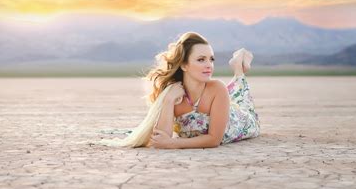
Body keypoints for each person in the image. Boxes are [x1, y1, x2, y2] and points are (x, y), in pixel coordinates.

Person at [98, 32, 260, 149]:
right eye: (201, 59)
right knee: (234, 93)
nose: (209, 65)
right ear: (183, 65)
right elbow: (161, 137)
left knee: (240, 95)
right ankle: (239, 66)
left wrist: (173, 143)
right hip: (218, 103)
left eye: (211, 59)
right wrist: (168, 101)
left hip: (241, 122)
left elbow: (213, 140)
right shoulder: (174, 94)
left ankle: (239, 64)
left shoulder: (217, 88)